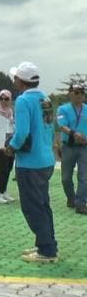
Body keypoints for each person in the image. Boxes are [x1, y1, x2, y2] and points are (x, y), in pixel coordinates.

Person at [6, 61, 57, 263]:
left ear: (21, 81)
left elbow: (22, 132)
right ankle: (47, 243)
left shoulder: (23, 101)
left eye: (16, 78)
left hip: (30, 163)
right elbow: (50, 128)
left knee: (32, 207)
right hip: (46, 160)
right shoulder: (46, 99)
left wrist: (11, 147)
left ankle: (46, 250)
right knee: (43, 205)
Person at [56, 83, 87, 213]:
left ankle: (81, 203)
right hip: (68, 146)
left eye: (81, 92)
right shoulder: (62, 109)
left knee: (84, 176)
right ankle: (71, 198)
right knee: (66, 178)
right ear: (70, 94)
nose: (79, 95)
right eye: (76, 92)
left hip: (84, 147)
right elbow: (62, 126)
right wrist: (74, 134)